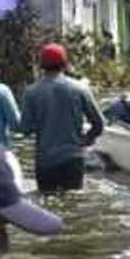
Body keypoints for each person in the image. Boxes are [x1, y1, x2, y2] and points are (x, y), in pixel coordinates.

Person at [19, 44, 105, 192]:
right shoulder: (80, 89)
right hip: (73, 158)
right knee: (75, 204)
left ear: (41, 66)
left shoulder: (31, 92)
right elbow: (99, 124)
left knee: (47, 207)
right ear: (65, 64)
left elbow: (25, 129)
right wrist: (85, 139)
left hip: (45, 160)